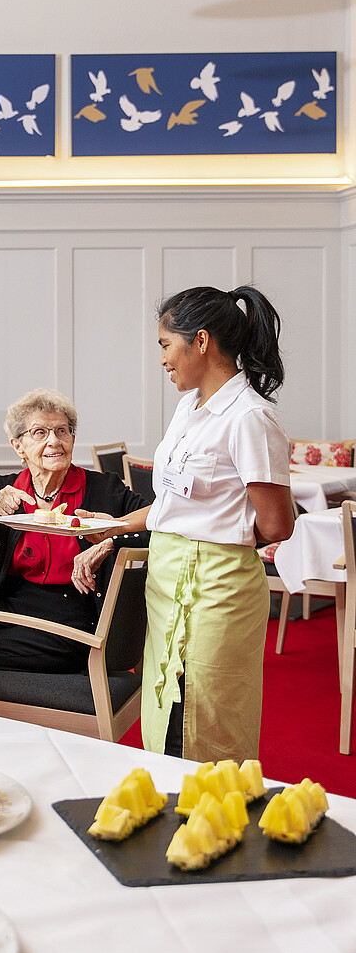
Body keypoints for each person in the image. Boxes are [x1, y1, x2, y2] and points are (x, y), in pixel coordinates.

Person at [0, 388, 149, 698]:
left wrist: (110, 539)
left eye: (62, 431)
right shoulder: (8, 490)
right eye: (40, 433)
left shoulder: (103, 488)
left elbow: (159, 522)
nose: (54, 441)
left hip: (74, 619)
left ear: (72, 439)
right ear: (18, 446)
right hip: (10, 609)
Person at [142, 284, 294, 763]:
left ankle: (214, 822)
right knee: (165, 706)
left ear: (201, 341)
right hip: (167, 577)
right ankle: (170, 814)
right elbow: (173, 500)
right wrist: (109, 527)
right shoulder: (189, 407)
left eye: (166, 344)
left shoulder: (250, 417)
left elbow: (277, 526)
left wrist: (213, 540)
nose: (163, 360)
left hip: (218, 584)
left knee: (209, 712)